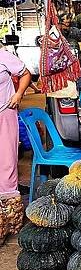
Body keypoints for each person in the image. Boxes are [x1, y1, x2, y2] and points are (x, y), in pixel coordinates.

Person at [0, 45, 31, 197]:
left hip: (5, 112)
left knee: (7, 157)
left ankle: (8, 197)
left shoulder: (4, 56)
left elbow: (25, 74)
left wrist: (18, 94)